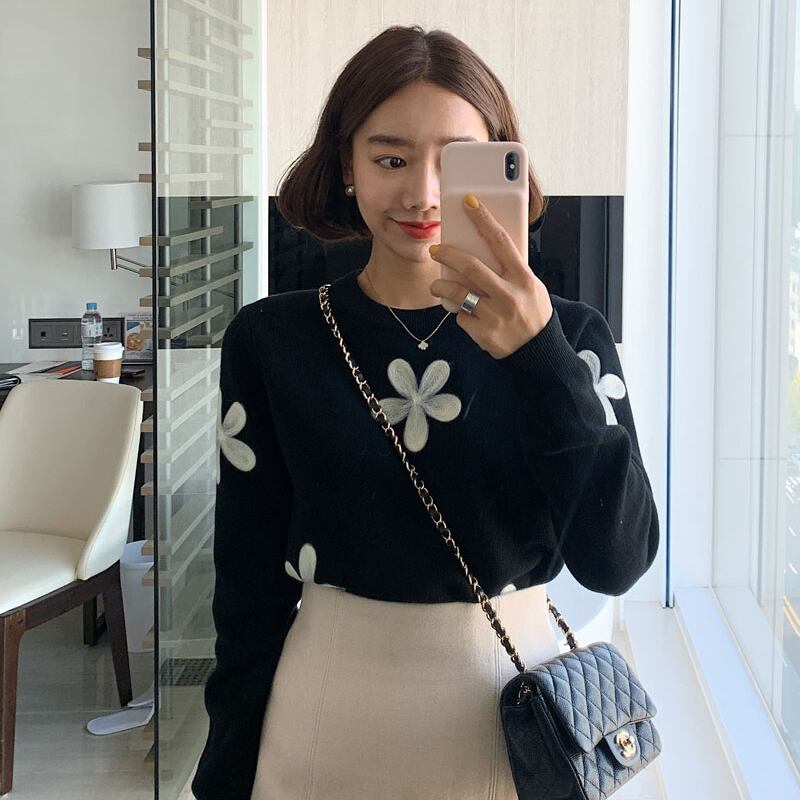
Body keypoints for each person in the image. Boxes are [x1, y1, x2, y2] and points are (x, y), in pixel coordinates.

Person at [192, 24, 659, 800]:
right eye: (391, 159)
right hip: (324, 717)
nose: (423, 194)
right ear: (346, 165)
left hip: (521, 730)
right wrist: (223, 776)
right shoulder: (272, 341)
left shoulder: (571, 338)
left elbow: (617, 560)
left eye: (456, 161)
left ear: (503, 165)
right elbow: (247, 590)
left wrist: (538, 353)